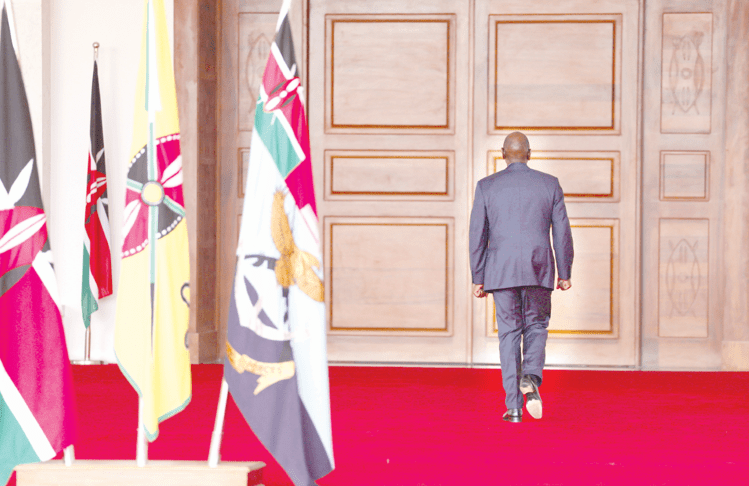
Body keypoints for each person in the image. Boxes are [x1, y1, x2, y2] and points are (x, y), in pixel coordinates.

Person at [469, 131, 573, 423]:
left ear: (503, 153)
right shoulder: (549, 184)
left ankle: (514, 408)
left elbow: (478, 235)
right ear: (530, 153)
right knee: (537, 325)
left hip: (500, 269)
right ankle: (531, 376)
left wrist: (478, 276)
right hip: (538, 266)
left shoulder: (486, 186)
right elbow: (562, 233)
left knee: (509, 334)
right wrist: (564, 272)